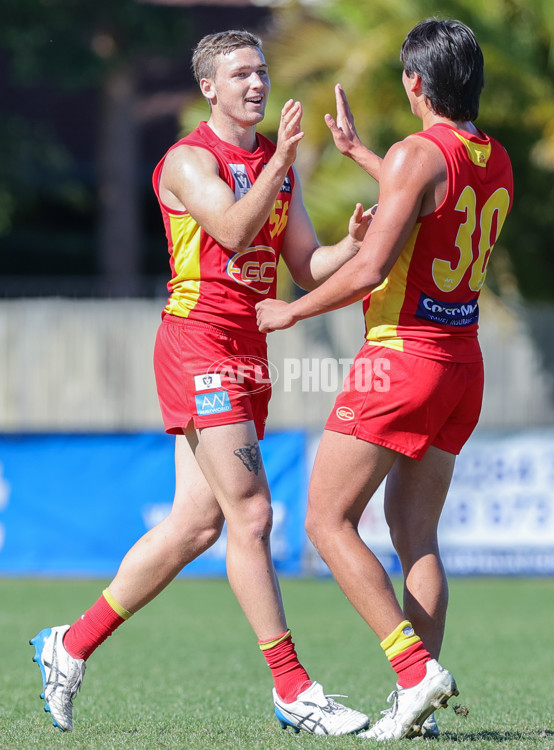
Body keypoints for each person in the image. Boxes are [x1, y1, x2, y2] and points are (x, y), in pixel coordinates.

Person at [29, 29, 374, 737]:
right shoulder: (189, 160)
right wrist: (281, 159)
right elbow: (235, 230)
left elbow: (305, 265)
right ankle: (292, 687)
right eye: (240, 74)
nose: (256, 83)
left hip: (249, 346)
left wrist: (357, 242)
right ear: (208, 89)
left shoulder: (275, 167)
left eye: (261, 70)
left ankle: (70, 643)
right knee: (250, 515)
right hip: (198, 343)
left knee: (195, 524)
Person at [256, 18, 514, 741]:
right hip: (463, 364)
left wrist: (288, 313)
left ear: (414, 83)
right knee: (416, 535)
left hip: (401, 358)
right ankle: (418, 708)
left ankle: (412, 672)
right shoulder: (494, 158)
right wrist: (362, 154)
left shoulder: (414, 154)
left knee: (324, 521)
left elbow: (369, 267)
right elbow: (436, 195)